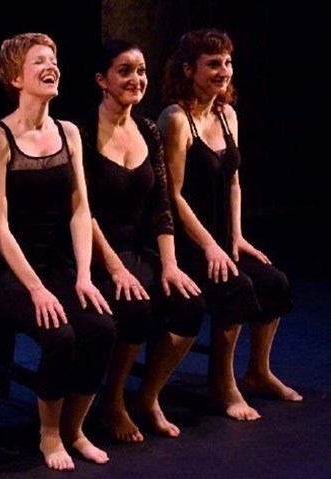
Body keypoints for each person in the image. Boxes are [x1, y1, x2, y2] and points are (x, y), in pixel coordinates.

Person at [0, 32, 116, 471]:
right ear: (16, 78)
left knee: (101, 327)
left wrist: (84, 275)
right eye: (39, 61)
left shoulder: (68, 132)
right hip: (10, 271)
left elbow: (80, 208)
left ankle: (75, 429)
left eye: (53, 59)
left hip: (57, 264)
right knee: (60, 336)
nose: (50, 67)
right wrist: (36, 289)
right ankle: (50, 434)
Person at [156, 28, 303, 421]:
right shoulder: (175, 119)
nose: (224, 71)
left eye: (227, 62)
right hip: (185, 243)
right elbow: (173, 196)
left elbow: (234, 181)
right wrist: (209, 246)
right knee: (233, 286)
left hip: (222, 237)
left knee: (273, 281)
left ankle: (258, 372)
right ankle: (223, 384)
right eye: (213, 64)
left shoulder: (226, 114)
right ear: (189, 69)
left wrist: (236, 237)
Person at [80, 39, 206, 442]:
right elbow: (81, 210)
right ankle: (113, 400)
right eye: (124, 71)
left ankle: (148, 396)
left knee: (189, 303)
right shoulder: (81, 130)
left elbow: (162, 206)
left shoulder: (148, 130)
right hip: (92, 253)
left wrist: (170, 265)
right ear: (102, 80)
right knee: (135, 308)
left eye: (141, 71)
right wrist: (114, 267)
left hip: (137, 250)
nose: (136, 79)